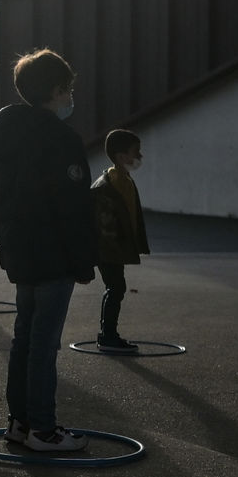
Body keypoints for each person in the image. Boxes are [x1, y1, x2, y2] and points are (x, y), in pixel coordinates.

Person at [0, 48, 96, 452]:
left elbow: (1, 197)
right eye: (68, 89)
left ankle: (20, 421)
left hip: (21, 249)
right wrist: (83, 259)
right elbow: (72, 206)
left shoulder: (6, 135)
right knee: (44, 344)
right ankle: (43, 429)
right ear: (56, 90)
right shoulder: (61, 139)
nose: (70, 97)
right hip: (53, 252)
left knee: (25, 339)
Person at [91, 128, 150, 352]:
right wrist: (113, 249)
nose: (140, 156)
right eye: (136, 152)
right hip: (109, 249)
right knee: (116, 288)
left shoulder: (124, 180)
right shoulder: (109, 185)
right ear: (121, 156)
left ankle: (108, 334)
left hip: (115, 248)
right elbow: (104, 224)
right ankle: (107, 336)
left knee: (116, 288)